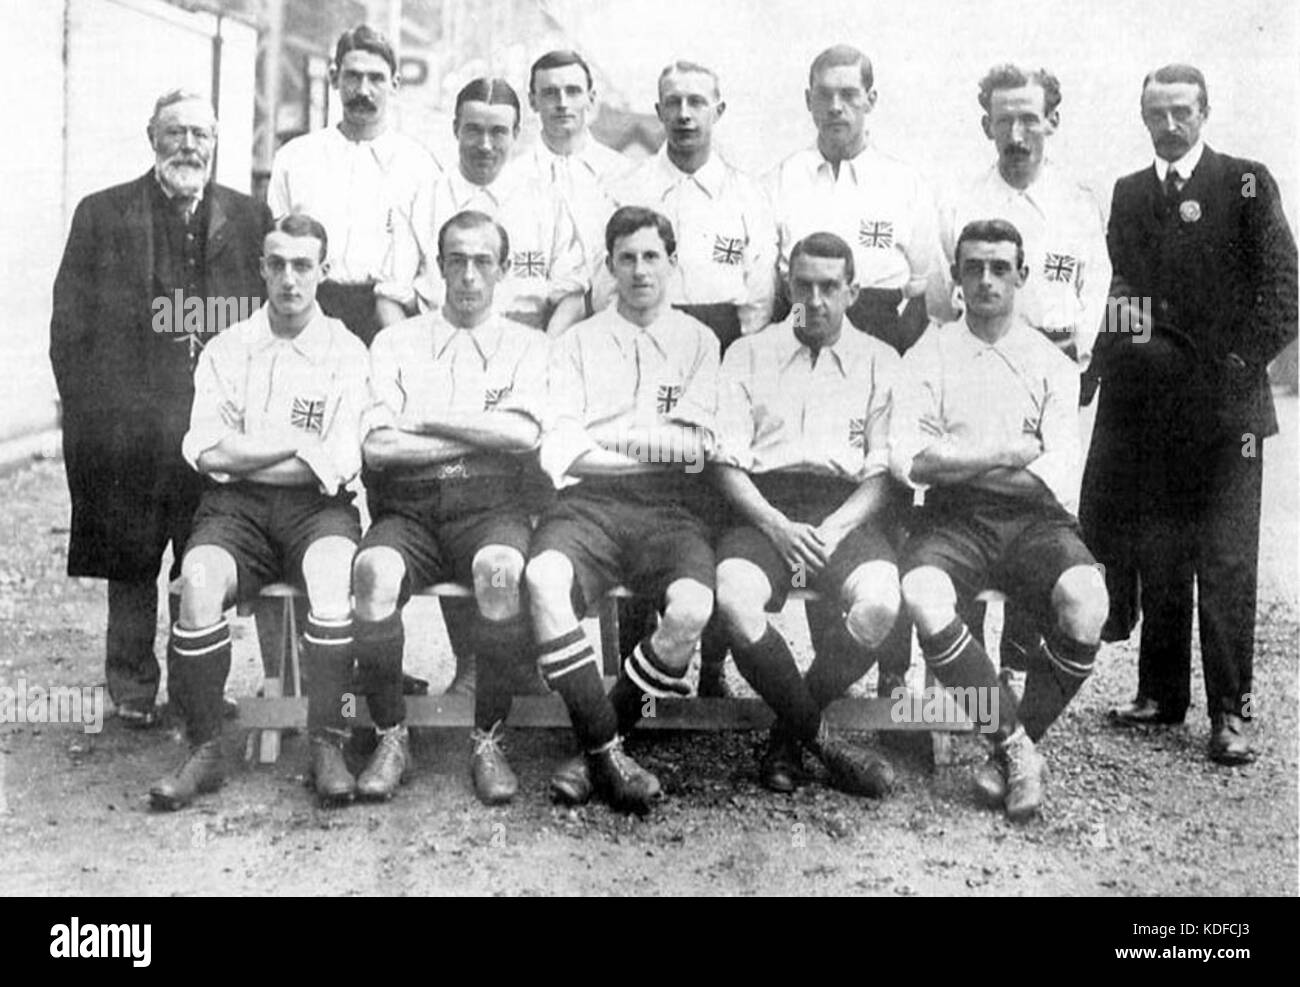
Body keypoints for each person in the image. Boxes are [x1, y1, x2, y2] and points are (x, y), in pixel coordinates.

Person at [1084, 65, 1297, 765]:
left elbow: (1284, 289)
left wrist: (1234, 364)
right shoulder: (1130, 193)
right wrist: (1118, 361)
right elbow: (1122, 286)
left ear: (1205, 112)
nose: (1169, 124)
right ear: (1143, 117)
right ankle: (1159, 694)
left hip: (1229, 410)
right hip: (1155, 408)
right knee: (1161, 551)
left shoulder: (1244, 182)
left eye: (1182, 111)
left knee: (1227, 560)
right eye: (1157, 113)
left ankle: (1229, 713)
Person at [49, 89, 270, 729]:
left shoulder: (249, 218)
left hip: (211, 429)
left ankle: (195, 685)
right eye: (175, 133)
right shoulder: (104, 214)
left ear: (216, 142)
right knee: (131, 559)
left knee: (206, 555)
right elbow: (70, 327)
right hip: (130, 429)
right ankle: (132, 686)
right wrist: (97, 418)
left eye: (200, 135)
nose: (188, 147)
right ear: (151, 136)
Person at [149, 214, 370, 810]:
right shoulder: (228, 346)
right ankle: (203, 749)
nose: (290, 279)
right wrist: (299, 445)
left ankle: (327, 740)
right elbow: (206, 450)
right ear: (261, 268)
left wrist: (254, 456)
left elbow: (340, 460)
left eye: (303, 266)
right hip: (234, 510)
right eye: (277, 264)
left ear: (323, 271)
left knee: (332, 580)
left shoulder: (346, 351)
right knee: (195, 582)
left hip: (317, 510)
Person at [891, 219, 1108, 821]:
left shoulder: (1051, 362)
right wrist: (1009, 452)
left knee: (1087, 601)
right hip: (953, 522)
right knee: (922, 592)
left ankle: (1015, 744)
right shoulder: (927, 354)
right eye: (973, 268)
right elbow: (909, 460)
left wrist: (957, 460)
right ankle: (1014, 748)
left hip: (1036, 521)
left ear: (1022, 277)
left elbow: (1056, 473)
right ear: (956, 277)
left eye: (1000, 268)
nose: (986, 280)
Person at [523, 206, 719, 814]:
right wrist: (651, 445)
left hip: (670, 512)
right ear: (608, 266)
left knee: (692, 608)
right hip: (588, 507)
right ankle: (608, 751)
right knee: (541, 578)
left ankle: (593, 749)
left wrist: (611, 438)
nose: (639, 270)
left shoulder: (699, 341)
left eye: (651, 256)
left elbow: (699, 450)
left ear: (672, 264)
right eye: (626, 258)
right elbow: (561, 447)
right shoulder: (577, 343)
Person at [351, 211, 549, 804]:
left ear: (504, 269)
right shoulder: (396, 342)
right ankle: (391, 734)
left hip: (491, 506)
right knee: (372, 572)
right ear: (438, 268)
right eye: (456, 261)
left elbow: (524, 437)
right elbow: (377, 445)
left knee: (500, 572)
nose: (468, 275)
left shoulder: (528, 346)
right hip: (409, 509)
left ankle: (486, 739)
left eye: (482, 261)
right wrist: (479, 431)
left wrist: (428, 418)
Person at [927, 64, 1110, 688]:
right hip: (976, 366)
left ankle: (1015, 670)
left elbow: (1100, 294)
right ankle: (969, 685)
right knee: (970, 504)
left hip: (1049, 371)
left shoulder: (1077, 204)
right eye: (1004, 119)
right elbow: (935, 298)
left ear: (1051, 122)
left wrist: (1074, 359)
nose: (1017, 132)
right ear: (987, 125)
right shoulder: (960, 198)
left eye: (1029, 117)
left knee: (1037, 505)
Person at [604, 59, 777, 698]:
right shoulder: (630, 186)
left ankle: (710, 668)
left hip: (723, 350)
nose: (684, 114)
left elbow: (758, 302)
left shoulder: (747, 193)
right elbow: (612, 288)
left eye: (697, 102)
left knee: (711, 501)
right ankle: (635, 666)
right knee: (642, 491)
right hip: (649, 343)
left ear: (718, 111)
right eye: (672, 102)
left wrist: (740, 381)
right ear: (658, 111)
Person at [712, 231, 901, 797]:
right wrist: (775, 524)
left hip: (845, 510)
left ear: (853, 291)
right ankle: (819, 738)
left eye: (829, 287)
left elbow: (883, 472)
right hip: (764, 507)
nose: (814, 300)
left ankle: (787, 737)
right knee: (734, 597)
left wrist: (833, 528)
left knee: (880, 603)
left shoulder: (880, 360)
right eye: (802, 286)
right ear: (786, 285)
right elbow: (725, 462)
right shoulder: (747, 353)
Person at [268, 24, 439, 346]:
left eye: (376, 78)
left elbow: (432, 264)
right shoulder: (295, 158)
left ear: (395, 84)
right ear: (334, 78)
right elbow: (276, 244)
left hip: (385, 317)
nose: (363, 90)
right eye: (353, 76)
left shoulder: (418, 166)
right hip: (311, 312)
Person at [767, 44, 940, 356]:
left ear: (870, 100)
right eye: (824, 95)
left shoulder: (906, 184)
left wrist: (896, 347)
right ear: (808, 100)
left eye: (848, 94)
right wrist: (802, 337)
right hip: (803, 322)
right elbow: (775, 286)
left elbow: (920, 287)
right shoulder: (780, 181)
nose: (835, 107)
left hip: (879, 326)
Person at [419, 78, 587, 337]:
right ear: (456, 129)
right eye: (473, 130)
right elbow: (391, 295)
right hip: (435, 340)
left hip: (523, 343)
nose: (485, 145)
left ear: (516, 134)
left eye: (498, 132)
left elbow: (572, 294)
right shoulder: (423, 199)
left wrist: (543, 350)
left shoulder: (546, 200)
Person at [521, 49, 631, 276]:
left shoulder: (623, 174)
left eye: (572, 92)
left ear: (590, 98)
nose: (562, 103)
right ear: (533, 101)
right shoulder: (515, 177)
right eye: (550, 93)